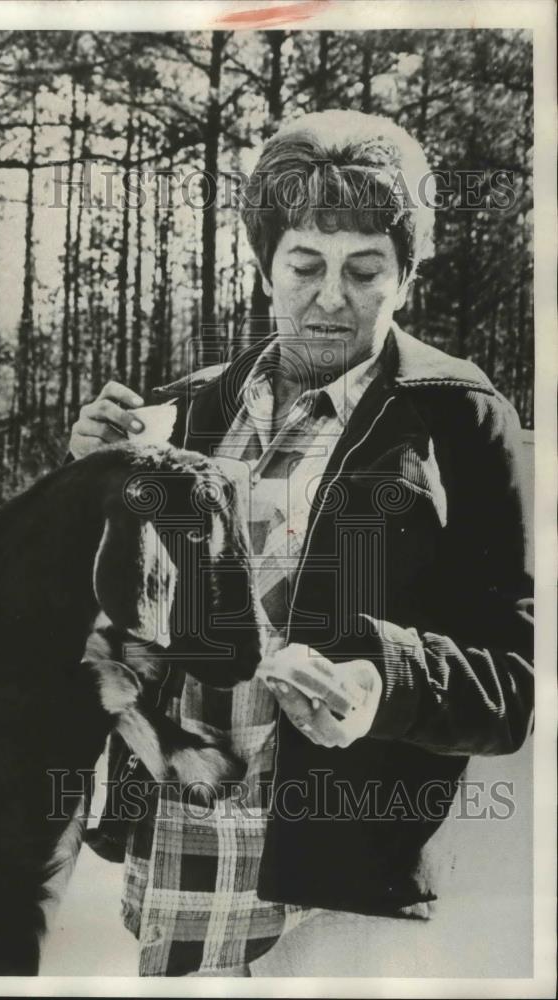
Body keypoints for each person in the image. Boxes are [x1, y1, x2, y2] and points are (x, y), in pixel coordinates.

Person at [67, 110, 534, 976]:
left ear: (406, 274)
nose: (330, 297)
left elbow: (512, 680)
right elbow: (105, 616)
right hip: (179, 851)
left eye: (364, 271)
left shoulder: (458, 418)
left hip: (333, 880)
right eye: (305, 266)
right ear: (265, 267)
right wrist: (84, 491)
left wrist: (378, 681)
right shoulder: (193, 409)